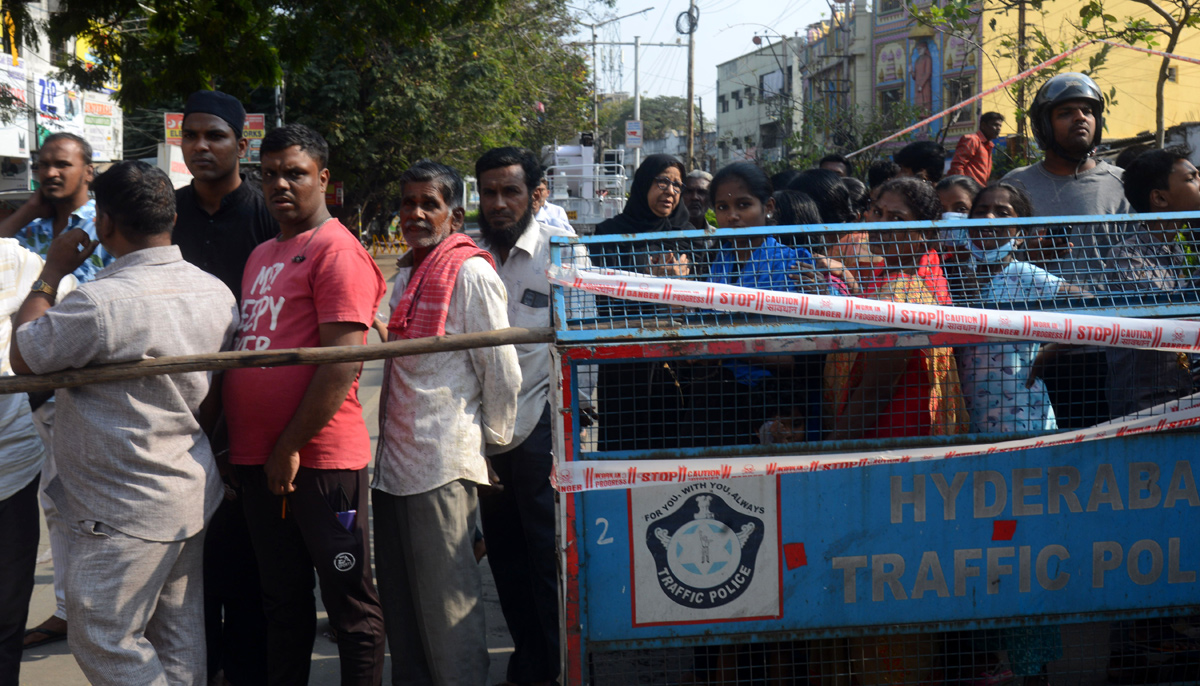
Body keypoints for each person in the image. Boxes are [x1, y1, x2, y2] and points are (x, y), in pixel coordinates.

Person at [11, 161, 239, 685]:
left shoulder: (99, 303)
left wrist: (51, 270)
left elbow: (25, 353)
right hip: (185, 487)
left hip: (122, 503)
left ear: (105, 224)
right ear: (172, 218)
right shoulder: (214, 290)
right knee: (177, 635)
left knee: (102, 635)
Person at [222, 124, 387, 685]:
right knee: (282, 602)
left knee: (348, 602)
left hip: (323, 467)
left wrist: (289, 445)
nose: (279, 185)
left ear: (323, 179)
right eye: (269, 174)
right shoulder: (262, 254)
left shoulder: (337, 250)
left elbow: (341, 363)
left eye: (294, 173)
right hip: (257, 461)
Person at [372, 159, 521, 686]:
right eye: (407, 203)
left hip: (441, 462)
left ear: (454, 216)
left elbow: (501, 370)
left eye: (428, 204)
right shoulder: (409, 274)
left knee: (448, 612)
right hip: (392, 469)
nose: (414, 214)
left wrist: (493, 444)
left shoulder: (472, 272)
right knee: (405, 610)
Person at [472, 146, 593, 686]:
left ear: (535, 194)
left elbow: (584, 348)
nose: (498, 203)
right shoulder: (467, 254)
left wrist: (580, 431)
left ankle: (561, 666)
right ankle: (529, 661)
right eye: (489, 192)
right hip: (480, 434)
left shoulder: (563, 253)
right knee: (505, 558)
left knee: (550, 557)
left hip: (544, 425)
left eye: (510, 191)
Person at [173, 89, 275, 686]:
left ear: (241, 144)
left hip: (250, 407)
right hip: (181, 410)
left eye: (214, 136)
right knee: (195, 558)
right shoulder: (169, 213)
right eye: (192, 137)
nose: (201, 147)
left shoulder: (266, 214)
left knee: (252, 554)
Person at [2, 132, 112, 652]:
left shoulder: (105, 224)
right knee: (55, 504)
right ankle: (68, 610)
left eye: (62, 164)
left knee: (94, 505)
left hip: (91, 382)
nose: (50, 173)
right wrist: (27, 210)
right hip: (36, 390)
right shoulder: (36, 231)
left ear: (88, 170)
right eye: (42, 165)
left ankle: (104, 613)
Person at [1002, 73, 1130, 428]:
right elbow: (994, 260)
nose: (1080, 118)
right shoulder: (1015, 185)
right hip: (1030, 350)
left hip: (1105, 347)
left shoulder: (1122, 183)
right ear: (1044, 124)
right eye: (1066, 112)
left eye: (1088, 110)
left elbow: (1137, 270)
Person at [825, 176, 968, 440]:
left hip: (892, 428)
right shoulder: (893, 273)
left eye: (897, 219)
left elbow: (876, 389)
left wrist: (832, 448)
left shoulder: (900, 290)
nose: (880, 225)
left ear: (925, 233)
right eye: (877, 212)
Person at [0, 241, 72, 683]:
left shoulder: (13, 260)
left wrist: (38, 393)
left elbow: (74, 309)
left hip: (12, 467)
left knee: (7, 612)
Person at [592, 154, 691, 452]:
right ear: (644, 184)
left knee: (671, 446)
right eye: (663, 181)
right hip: (623, 356)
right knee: (624, 446)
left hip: (673, 358)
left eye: (677, 185)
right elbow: (601, 297)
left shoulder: (685, 235)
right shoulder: (609, 234)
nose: (671, 191)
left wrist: (676, 286)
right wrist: (651, 282)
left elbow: (698, 297)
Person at [1106, 147, 1199, 418]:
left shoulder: (1178, 249)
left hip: (1183, 393)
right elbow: (1164, 310)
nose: (1199, 183)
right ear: (1159, 198)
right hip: (1144, 402)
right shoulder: (1127, 255)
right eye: (1191, 178)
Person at [948, 112, 1004, 186]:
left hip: (978, 191)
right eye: (995, 125)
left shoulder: (988, 146)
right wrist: (963, 188)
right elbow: (957, 166)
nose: (999, 128)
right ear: (983, 125)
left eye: (1000, 126)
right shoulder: (972, 140)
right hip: (967, 191)